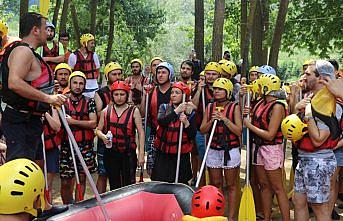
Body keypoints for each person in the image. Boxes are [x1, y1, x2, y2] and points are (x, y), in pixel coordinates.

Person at [1, 12, 66, 162]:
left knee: (31, 168)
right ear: (35, 30)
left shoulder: (30, 52)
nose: (48, 33)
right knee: (21, 172)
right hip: (20, 122)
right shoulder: (23, 51)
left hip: (31, 121)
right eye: (45, 29)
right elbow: (14, 82)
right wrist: (48, 97)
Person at [293, 60, 341, 221]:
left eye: (308, 73)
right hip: (305, 158)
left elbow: (318, 140)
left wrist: (307, 115)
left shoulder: (331, 103)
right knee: (298, 201)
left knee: (320, 209)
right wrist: (295, 109)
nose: (303, 76)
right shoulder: (311, 98)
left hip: (319, 160)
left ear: (321, 78)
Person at [243, 74, 290, 221]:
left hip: (271, 149)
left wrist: (248, 125)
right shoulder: (260, 102)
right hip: (258, 148)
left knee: (277, 188)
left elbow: (270, 134)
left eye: (259, 85)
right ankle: (266, 217)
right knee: (263, 185)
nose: (256, 87)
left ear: (265, 88)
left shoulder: (277, 106)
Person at [200, 78, 242, 221]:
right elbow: (202, 129)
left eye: (220, 89)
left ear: (228, 91)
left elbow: (238, 131)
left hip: (230, 150)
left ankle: (231, 218)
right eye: (215, 89)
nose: (216, 91)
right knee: (216, 184)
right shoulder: (210, 108)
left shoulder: (234, 107)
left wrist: (224, 119)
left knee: (231, 185)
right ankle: (217, 215)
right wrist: (212, 120)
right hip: (213, 149)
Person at [95, 81, 145, 190]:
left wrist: (141, 154)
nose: (119, 97)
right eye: (116, 94)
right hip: (111, 153)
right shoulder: (106, 111)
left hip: (128, 153)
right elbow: (98, 130)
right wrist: (103, 137)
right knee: (114, 183)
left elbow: (141, 133)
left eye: (122, 94)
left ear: (127, 95)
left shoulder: (134, 111)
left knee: (129, 183)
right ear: (112, 95)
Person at [60, 71, 97, 204]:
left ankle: (79, 207)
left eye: (81, 83)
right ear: (70, 84)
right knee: (65, 181)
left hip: (84, 146)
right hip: (66, 145)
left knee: (81, 178)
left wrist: (73, 121)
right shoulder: (62, 101)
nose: (78, 86)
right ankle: (67, 208)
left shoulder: (90, 102)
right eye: (75, 82)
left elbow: (93, 123)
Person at [151, 81, 196, 184]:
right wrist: (176, 111)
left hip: (180, 155)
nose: (174, 95)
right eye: (172, 92)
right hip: (164, 154)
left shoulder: (189, 113)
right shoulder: (164, 107)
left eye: (177, 93)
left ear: (184, 96)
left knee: (180, 183)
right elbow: (161, 121)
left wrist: (186, 123)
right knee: (161, 183)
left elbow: (192, 134)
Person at [140, 62, 174, 175]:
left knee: (169, 169)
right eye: (158, 72)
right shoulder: (151, 91)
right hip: (155, 134)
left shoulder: (176, 91)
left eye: (164, 72)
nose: (160, 75)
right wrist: (145, 95)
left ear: (170, 74)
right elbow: (143, 113)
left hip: (172, 134)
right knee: (152, 170)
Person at [94, 61, 123, 193]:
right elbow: (99, 114)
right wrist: (112, 104)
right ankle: (99, 200)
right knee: (103, 172)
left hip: (122, 137)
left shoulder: (124, 91)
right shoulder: (100, 93)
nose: (117, 76)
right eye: (113, 74)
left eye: (119, 74)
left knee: (119, 172)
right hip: (105, 136)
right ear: (107, 76)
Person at [191, 62, 221, 186]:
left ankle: (215, 186)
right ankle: (202, 186)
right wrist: (198, 91)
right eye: (208, 73)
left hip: (218, 131)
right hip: (201, 130)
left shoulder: (222, 88)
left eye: (214, 74)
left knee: (215, 163)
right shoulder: (199, 87)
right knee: (203, 160)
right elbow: (192, 106)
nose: (210, 76)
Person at [68, 33, 100, 98]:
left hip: (94, 88)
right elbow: (70, 73)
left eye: (93, 43)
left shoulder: (94, 55)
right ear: (84, 43)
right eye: (91, 43)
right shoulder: (73, 56)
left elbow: (98, 71)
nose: (93, 45)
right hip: (80, 89)